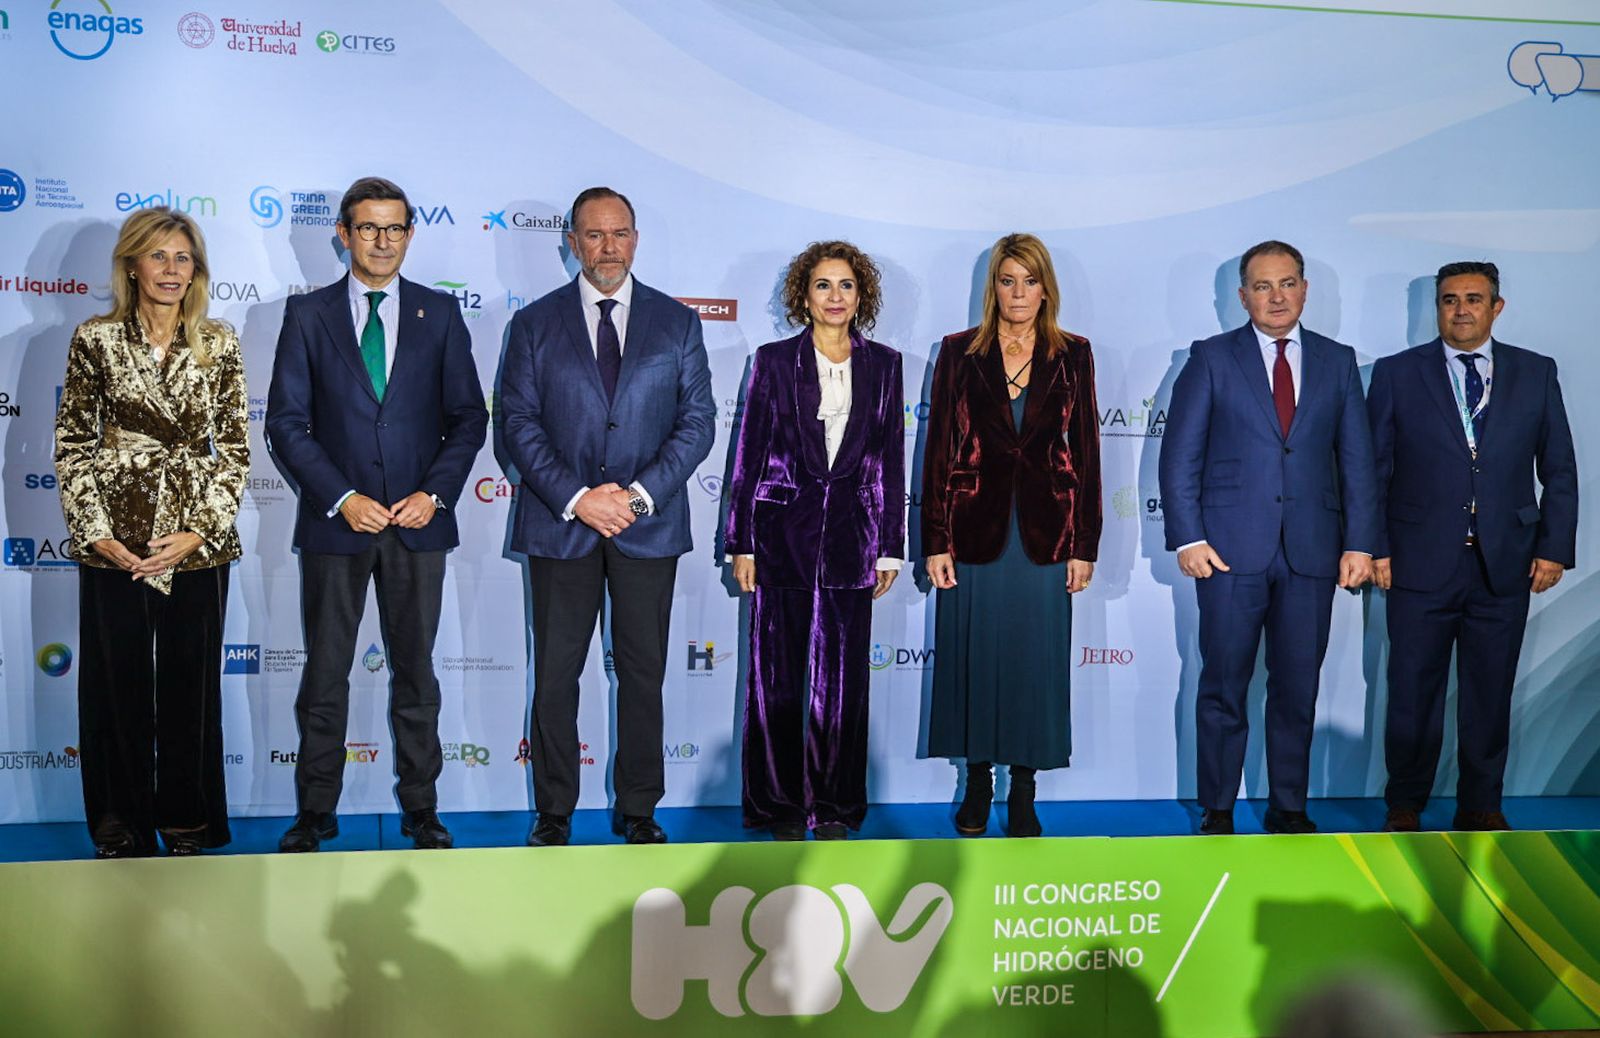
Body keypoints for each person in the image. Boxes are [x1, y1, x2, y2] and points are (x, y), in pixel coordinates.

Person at [266, 176, 488, 852]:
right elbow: (286, 424)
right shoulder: (308, 315)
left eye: (394, 228)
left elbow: (469, 417)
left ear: (410, 235)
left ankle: (422, 809)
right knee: (325, 674)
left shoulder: (438, 313)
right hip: (337, 525)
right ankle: (315, 811)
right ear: (344, 234)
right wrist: (343, 498)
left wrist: (433, 495)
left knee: (417, 675)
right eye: (368, 228)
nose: (382, 241)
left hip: (419, 525)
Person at [502, 186, 715, 847]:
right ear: (572, 242)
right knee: (556, 676)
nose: (607, 248)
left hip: (648, 528)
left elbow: (697, 422)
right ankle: (554, 812)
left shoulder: (677, 323)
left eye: (619, 234)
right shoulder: (533, 324)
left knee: (643, 674)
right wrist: (579, 498)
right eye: (593, 235)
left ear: (636, 239)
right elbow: (518, 425)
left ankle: (639, 809)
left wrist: (637, 497)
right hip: (561, 525)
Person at [1159, 240, 1377, 835]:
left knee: (1297, 688)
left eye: (1286, 284)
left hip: (1313, 552)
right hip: (1228, 552)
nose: (1276, 297)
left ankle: (1289, 807)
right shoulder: (1211, 357)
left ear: (1304, 289)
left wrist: (1360, 542)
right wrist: (1188, 538)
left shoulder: (1338, 361)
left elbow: (1357, 461)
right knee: (1223, 685)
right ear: (1241, 296)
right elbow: (1180, 456)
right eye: (1262, 286)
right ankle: (1217, 807)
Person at [54, 206, 248, 857]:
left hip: (196, 542)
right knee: (117, 686)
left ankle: (188, 819)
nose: (171, 269)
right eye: (158, 255)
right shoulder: (96, 338)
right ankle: (121, 822)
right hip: (116, 538)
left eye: (182, 257)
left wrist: (199, 531)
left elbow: (236, 451)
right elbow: (72, 444)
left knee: (191, 687)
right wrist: (96, 533)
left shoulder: (218, 341)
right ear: (132, 265)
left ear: (196, 270)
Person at [1370, 261, 1577, 832]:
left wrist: (1554, 547)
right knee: (1412, 693)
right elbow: (1372, 470)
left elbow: (1559, 467)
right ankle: (1405, 804)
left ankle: (1481, 805)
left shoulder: (1536, 372)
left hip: (1505, 563)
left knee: (1489, 693)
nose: (1461, 310)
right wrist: (1374, 547)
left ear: (1496, 307)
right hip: (1416, 563)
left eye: (1474, 299)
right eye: (1449, 299)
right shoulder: (1396, 373)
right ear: (1436, 307)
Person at [723, 241, 906, 840]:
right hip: (780, 536)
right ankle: (777, 805)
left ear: (861, 295)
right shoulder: (774, 361)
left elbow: (890, 459)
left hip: (855, 538)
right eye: (823, 285)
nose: (835, 296)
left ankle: (834, 806)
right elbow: (748, 454)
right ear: (803, 296)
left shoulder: (886, 365)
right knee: (776, 678)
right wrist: (742, 542)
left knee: (844, 683)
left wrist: (890, 545)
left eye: (846, 285)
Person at [923, 233, 1102, 838]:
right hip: (973, 531)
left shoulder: (1074, 354)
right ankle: (977, 782)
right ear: (993, 288)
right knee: (974, 660)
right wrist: (935, 539)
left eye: (1029, 280)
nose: (1018, 292)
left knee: (1034, 665)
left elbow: (1088, 453)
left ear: (1046, 288)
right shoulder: (958, 352)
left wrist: (1084, 544)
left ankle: (1024, 789)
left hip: (1047, 536)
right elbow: (938, 448)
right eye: (1007, 280)